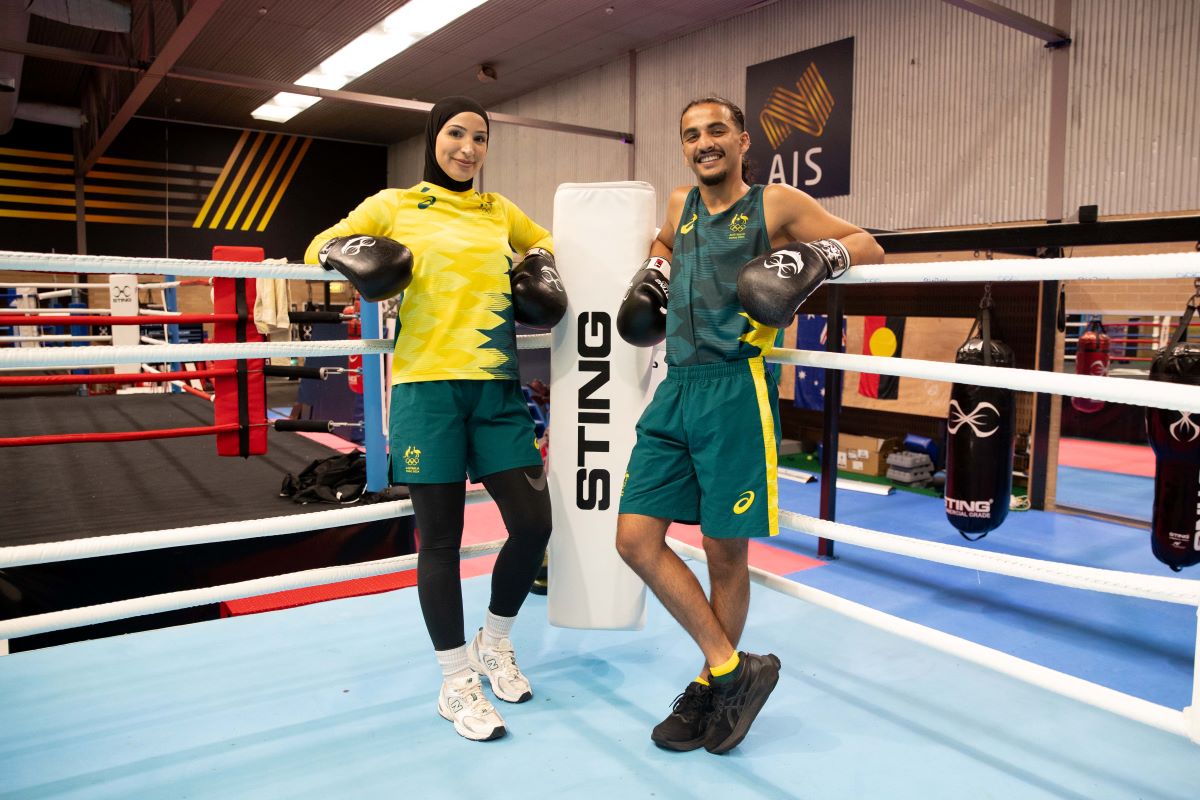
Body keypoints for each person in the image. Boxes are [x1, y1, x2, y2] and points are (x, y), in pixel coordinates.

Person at [615, 96, 884, 754]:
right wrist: (654, 267)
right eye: (690, 134)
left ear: (741, 140)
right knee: (635, 539)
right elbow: (663, 239)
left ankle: (712, 685)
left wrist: (808, 261)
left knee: (723, 552)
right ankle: (737, 671)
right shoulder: (680, 205)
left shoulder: (776, 204)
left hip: (737, 388)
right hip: (675, 386)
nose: (703, 142)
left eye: (715, 131)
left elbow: (868, 245)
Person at [305, 96, 567, 742]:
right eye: (456, 134)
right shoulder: (396, 204)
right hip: (427, 390)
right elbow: (321, 244)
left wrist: (539, 264)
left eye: (479, 139)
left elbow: (547, 242)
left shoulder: (497, 210)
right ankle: (456, 681)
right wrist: (349, 256)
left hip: (497, 392)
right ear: (434, 138)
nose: (468, 149)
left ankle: (494, 642)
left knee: (534, 525)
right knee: (441, 540)